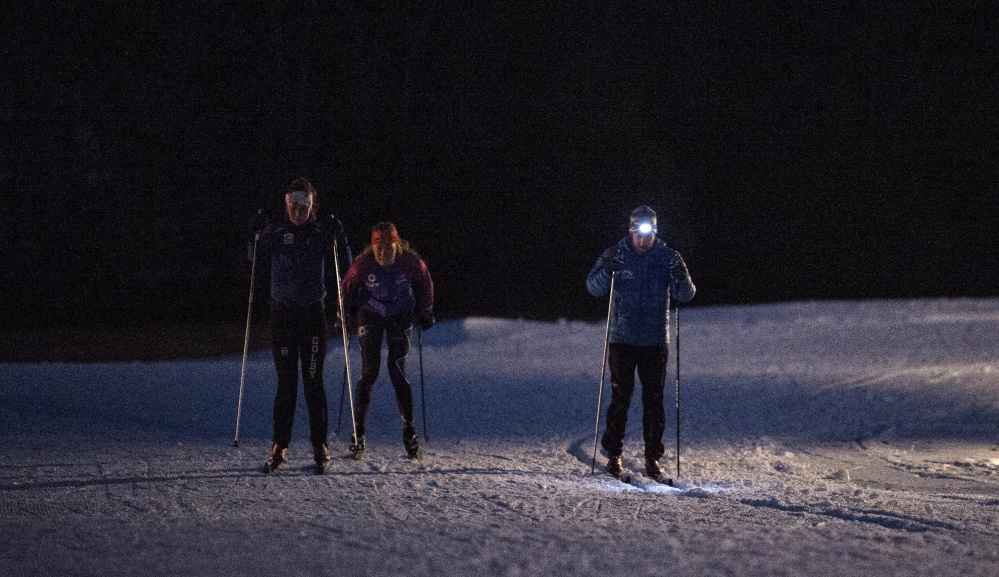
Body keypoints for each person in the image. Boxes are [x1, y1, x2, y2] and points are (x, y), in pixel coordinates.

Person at [247, 177, 351, 474]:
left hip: (312, 316)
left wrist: (340, 238)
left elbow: (345, 263)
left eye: (304, 205)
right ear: (287, 204)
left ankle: (320, 445)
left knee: (313, 380)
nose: (298, 211)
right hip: (282, 316)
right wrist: (253, 233)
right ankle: (280, 445)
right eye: (294, 205)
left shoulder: (320, 234)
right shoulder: (276, 233)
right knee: (286, 382)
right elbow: (252, 261)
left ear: (312, 205)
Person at [586, 205, 695, 482]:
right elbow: (593, 287)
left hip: (655, 340)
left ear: (655, 231)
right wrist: (605, 272)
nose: (642, 239)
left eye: (648, 232)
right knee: (620, 396)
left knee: (654, 400)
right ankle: (614, 454)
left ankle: (652, 458)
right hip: (622, 338)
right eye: (637, 231)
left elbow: (686, 294)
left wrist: (681, 276)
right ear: (630, 230)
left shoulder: (668, 257)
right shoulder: (616, 254)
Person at [341, 222, 434, 460]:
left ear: (397, 245)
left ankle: (409, 432)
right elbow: (347, 287)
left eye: (388, 248)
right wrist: (344, 314)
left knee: (397, 369)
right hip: (370, 312)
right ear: (372, 247)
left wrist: (426, 311)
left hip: (401, 314)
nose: (383, 253)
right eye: (378, 248)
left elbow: (425, 283)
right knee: (370, 370)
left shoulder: (410, 261)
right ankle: (358, 432)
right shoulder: (363, 263)